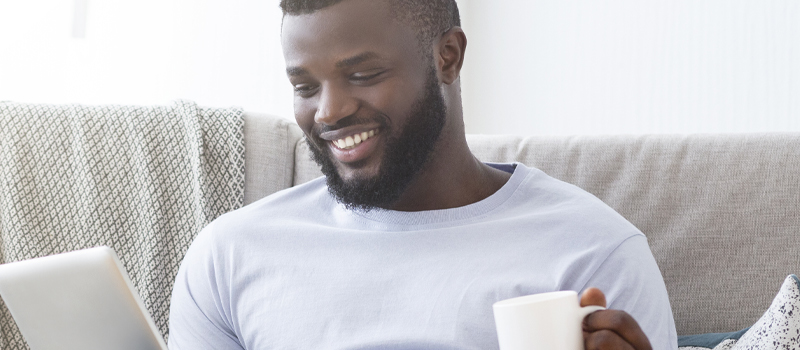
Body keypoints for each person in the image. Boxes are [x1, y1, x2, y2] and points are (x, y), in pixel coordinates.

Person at [166, 0, 677, 349]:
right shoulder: (228, 257)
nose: (328, 112)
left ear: (447, 56)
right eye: (305, 87)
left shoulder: (592, 251)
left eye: (363, 75)